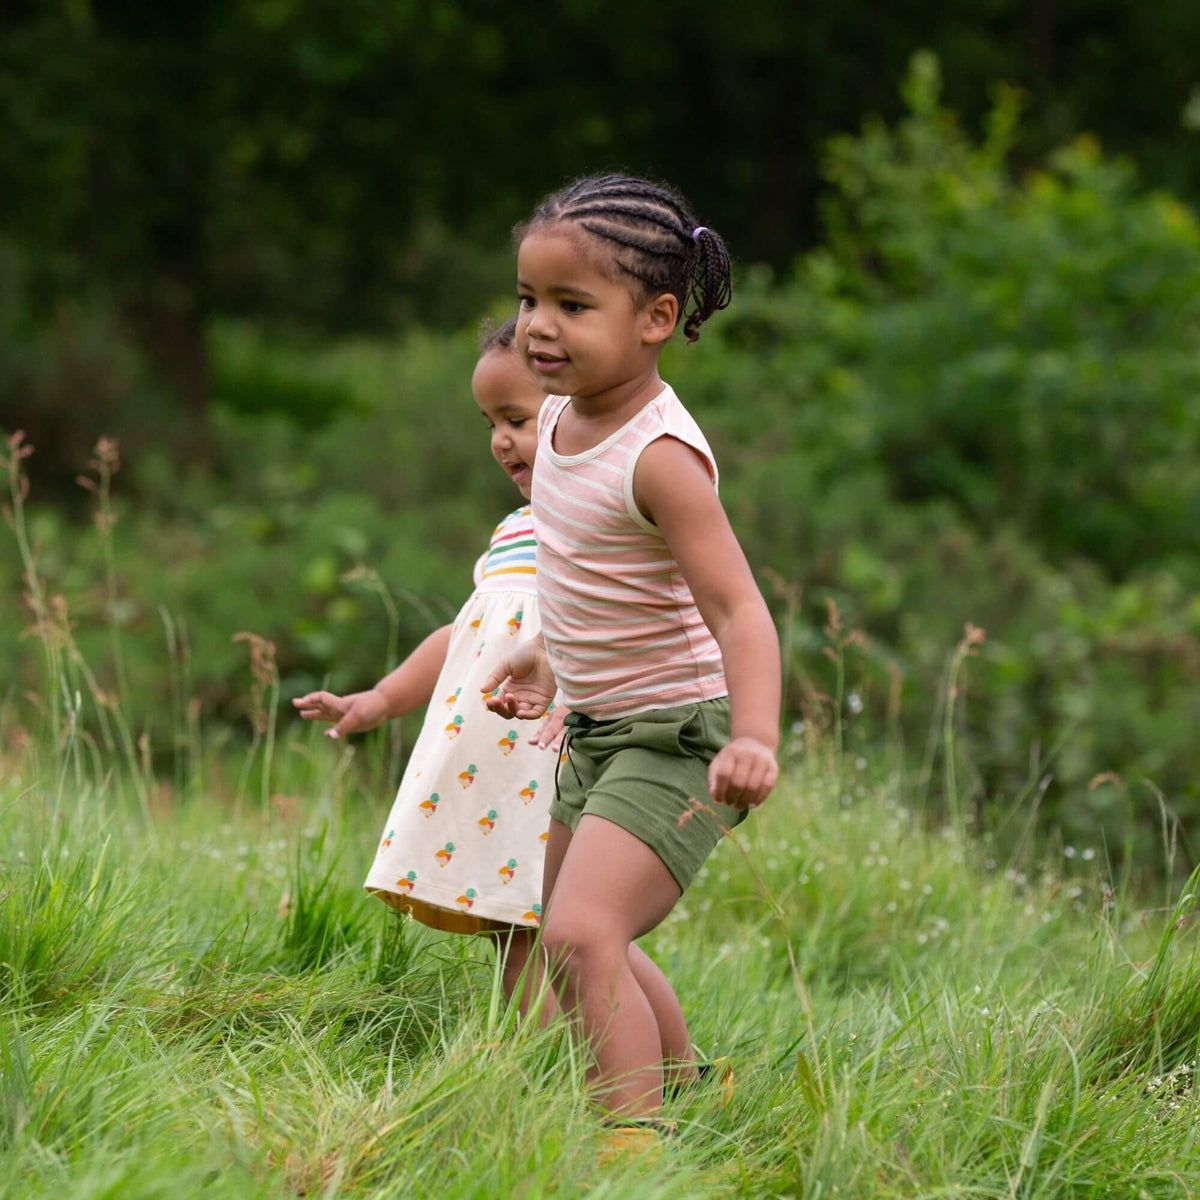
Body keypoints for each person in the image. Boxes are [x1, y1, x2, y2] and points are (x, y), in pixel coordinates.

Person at [482, 175, 782, 1138]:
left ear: (656, 318)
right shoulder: (557, 419)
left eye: (573, 306)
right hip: (598, 730)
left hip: (682, 737)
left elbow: (739, 610)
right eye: (530, 299)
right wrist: (548, 661)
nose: (539, 326)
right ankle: (688, 1087)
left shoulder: (660, 457)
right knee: (554, 929)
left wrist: (755, 738)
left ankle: (631, 1149)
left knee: (583, 934)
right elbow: (587, 573)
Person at [294, 318, 561, 1016]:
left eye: (517, 419)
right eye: (490, 424)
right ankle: (637, 1065)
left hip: (548, 758)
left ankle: (594, 1064)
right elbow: (465, 634)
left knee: (563, 928)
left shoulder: (599, 524)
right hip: (495, 766)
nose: (500, 440)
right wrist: (380, 700)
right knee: (519, 925)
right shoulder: (513, 531)